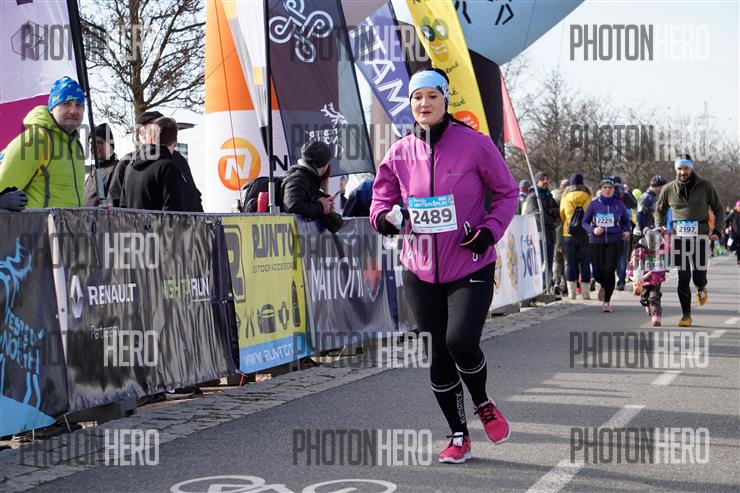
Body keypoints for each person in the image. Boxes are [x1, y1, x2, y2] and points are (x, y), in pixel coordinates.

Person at [371, 68, 518, 464]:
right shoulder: (399, 152)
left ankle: (483, 402)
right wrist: (385, 219)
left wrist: (489, 231)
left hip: (470, 262)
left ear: (445, 99)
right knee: (437, 353)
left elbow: (507, 192)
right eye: (417, 98)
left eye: (432, 96)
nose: (424, 104)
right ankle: (458, 435)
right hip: (419, 268)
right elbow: (380, 201)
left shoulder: (475, 144)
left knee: (460, 341)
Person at [655, 155, 724, 327]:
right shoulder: (668, 189)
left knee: (699, 276)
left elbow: (718, 208)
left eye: (685, 168)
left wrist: (717, 230)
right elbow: (660, 210)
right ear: (675, 169)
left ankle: (701, 286)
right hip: (679, 239)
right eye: (679, 168)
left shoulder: (705, 186)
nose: (682, 172)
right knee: (683, 276)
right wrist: (661, 227)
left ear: (691, 168)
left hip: (700, 237)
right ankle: (686, 315)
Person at [0, 76, 85, 208]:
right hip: (35, 222)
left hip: (72, 222)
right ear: (52, 108)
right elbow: (3, 187)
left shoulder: (77, 145)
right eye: (66, 104)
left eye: (78, 105)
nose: (73, 111)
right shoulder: (35, 139)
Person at [108, 111, 203, 211]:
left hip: (188, 220)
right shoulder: (128, 162)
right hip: (165, 220)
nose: (162, 130)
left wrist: (200, 218)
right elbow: (117, 203)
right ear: (142, 134)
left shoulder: (178, 158)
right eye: (156, 126)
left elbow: (193, 194)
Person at [582, 178, 631, 312]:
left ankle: (607, 302)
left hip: (614, 241)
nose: (607, 190)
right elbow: (584, 222)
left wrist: (627, 231)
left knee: (609, 271)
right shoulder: (594, 205)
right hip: (596, 241)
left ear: (614, 190)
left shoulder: (619, 205)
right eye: (605, 187)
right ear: (601, 189)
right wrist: (593, 230)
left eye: (610, 187)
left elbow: (627, 222)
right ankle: (604, 285)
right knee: (597, 272)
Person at [120, 117, 186, 211]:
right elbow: (173, 212)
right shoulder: (168, 168)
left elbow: (123, 207)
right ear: (175, 141)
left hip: (131, 221)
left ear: (151, 138)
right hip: (157, 221)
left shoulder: (129, 167)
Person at [280, 140, 343, 232]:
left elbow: (336, 225)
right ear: (324, 165)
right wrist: (320, 207)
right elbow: (291, 206)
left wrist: (326, 208)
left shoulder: (309, 179)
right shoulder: (299, 177)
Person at [559, 173, 592, 300]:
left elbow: (562, 215)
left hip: (569, 234)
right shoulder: (588, 197)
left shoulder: (565, 198)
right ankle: (586, 293)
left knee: (570, 263)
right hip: (585, 234)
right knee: (585, 263)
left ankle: (572, 293)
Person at [525, 171, 559, 290]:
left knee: (548, 263)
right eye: (542, 179)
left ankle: (546, 287)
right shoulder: (533, 197)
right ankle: (538, 288)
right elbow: (537, 215)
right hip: (539, 235)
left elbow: (558, 211)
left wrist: (551, 212)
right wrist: (550, 216)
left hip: (550, 235)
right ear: (537, 181)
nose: (545, 181)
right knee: (539, 263)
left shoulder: (549, 195)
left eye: (546, 179)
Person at [627, 227, 669, 326]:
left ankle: (656, 316)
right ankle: (646, 304)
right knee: (644, 298)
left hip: (656, 278)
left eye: (656, 246)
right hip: (644, 279)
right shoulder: (640, 250)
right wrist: (630, 274)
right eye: (652, 247)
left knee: (654, 297)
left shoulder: (663, 247)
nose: (654, 249)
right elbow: (633, 263)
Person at [83, 123, 118, 206]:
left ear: (110, 145)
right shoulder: (92, 172)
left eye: (99, 142)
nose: (94, 146)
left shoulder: (117, 169)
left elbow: (114, 204)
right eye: (91, 143)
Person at [551, 178, 570, 295]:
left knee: (557, 259)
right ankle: (567, 285)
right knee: (568, 260)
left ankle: (556, 282)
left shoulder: (554, 195)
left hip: (557, 230)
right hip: (568, 231)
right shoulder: (569, 196)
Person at [724, 200, 740, 265]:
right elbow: (726, 220)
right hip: (734, 233)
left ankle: (738, 260)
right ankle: (734, 250)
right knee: (731, 246)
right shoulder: (733, 213)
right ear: (737, 206)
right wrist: (727, 228)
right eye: (739, 206)